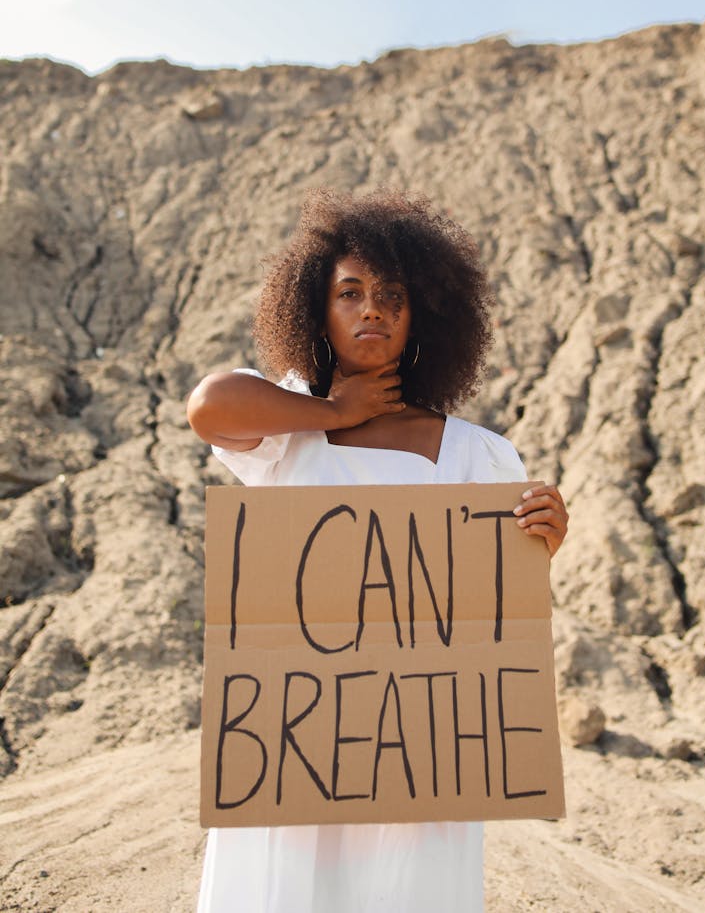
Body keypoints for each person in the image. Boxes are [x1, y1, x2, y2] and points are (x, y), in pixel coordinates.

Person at [187, 188, 568, 913]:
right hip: (294, 756)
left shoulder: (481, 455)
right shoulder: (286, 427)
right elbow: (208, 404)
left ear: (422, 312)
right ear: (315, 309)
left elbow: (491, 606)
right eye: (350, 292)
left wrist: (545, 534)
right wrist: (331, 410)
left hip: (416, 770)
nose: (372, 310)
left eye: (393, 295)